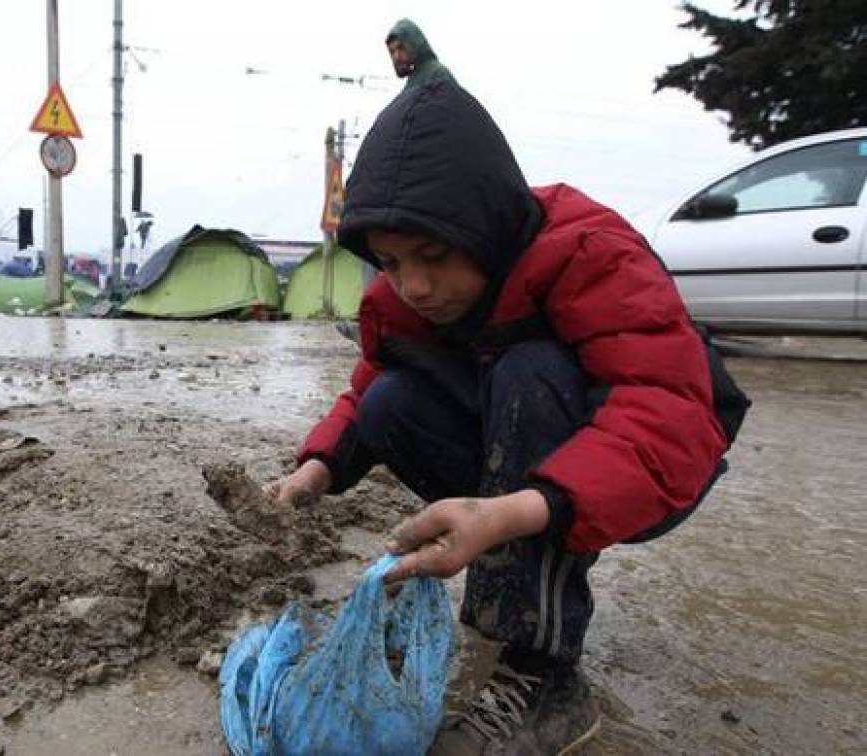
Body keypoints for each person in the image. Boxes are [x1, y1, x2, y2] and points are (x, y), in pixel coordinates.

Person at [263, 73, 748, 754]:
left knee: (529, 369)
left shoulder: (588, 251)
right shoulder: (405, 296)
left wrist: (508, 513)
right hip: (532, 447)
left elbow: (664, 413)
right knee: (391, 400)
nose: (415, 285)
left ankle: (546, 676)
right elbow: (368, 382)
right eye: (392, 263)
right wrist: (316, 468)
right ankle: (519, 580)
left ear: (486, 224)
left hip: (658, 458)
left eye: (433, 256)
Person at [386, 18, 457, 90]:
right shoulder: (413, 83)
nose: (396, 56)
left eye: (401, 48)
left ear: (414, 44)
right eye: (392, 51)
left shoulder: (437, 74)